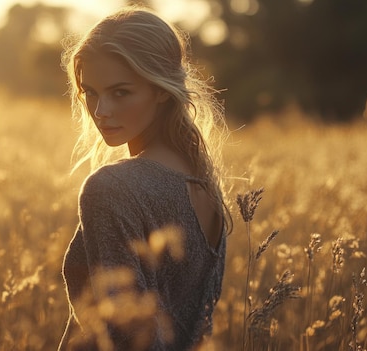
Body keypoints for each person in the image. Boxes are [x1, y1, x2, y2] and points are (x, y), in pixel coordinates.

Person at [59, 5, 232, 350]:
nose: (100, 111)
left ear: (162, 89)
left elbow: (128, 333)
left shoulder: (112, 188)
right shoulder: (205, 186)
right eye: (90, 92)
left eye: (120, 92)